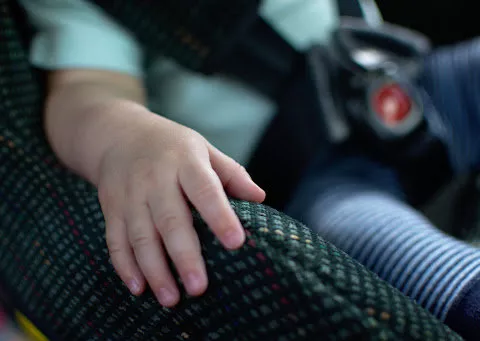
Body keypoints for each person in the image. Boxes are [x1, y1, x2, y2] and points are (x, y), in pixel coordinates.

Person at [15, 0, 480, 339]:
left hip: (404, 78)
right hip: (314, 181)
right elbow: (86, 90)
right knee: (395, 255)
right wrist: (128, 139)